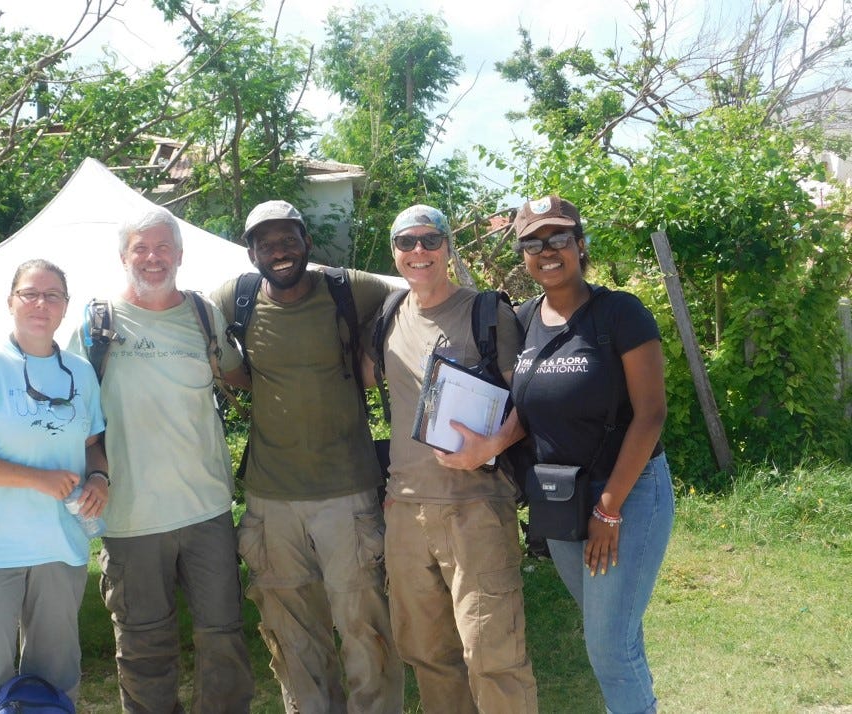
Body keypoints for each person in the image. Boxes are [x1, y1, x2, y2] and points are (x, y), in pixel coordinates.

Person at [212, 200, 404, 714]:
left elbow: (411, 293)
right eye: (267, 243)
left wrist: (371, 352)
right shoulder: (237, 296)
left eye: (289, 240)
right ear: (251, 251)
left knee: (365, 627)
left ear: (307, 244)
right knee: (292, 634)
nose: (280, 251)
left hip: (349, 492)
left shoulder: (348, 287)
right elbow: (194, 330)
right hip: (270, 499)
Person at [68, 208, 253, 713]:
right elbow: (74, 416)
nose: (153, 259)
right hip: (131, 516)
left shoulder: (203, 314)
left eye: (163, 248)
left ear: (179, 254)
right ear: (123, 256)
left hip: (207, 510)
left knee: (224, 637)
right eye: (141, 249)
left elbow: (244, 376)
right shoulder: (94, 323)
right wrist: (95, 473)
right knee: (145, 647)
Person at [364, 204, 538, 713]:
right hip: (406, 512)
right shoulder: (389, 315)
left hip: (477, 507)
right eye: (406, 242)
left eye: (430, 240)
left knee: (492, 654)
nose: (418, 251)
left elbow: (532, 404)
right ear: (394, 252)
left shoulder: (486, 312)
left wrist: (494, 446)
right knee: (428, 653)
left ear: (447, 246)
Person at [510, 195, 674, 713]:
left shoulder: (619, 312)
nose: (548, 251)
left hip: (626, 495)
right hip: (561, 502)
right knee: (615, 634)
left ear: (580, 245)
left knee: (608, 644)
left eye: (559, 238)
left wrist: (609, 506)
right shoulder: (520, 322)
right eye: (533, 243)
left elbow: (651, 414)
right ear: (523, 257)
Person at [0, 259, 107, 713]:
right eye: (30, 293)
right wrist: (35, 478)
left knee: (56, 683)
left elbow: (92, 443)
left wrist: (100, 477)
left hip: (58, 548)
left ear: (65, 308)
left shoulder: (81, 374)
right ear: (10, 302)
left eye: (53, 295)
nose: (41, 303)